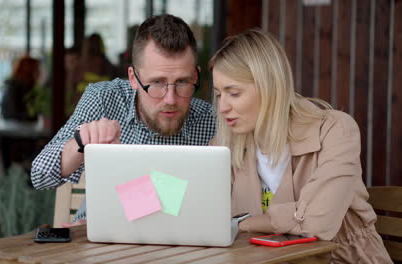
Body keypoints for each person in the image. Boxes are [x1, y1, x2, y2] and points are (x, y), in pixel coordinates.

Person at [209, 29, 392, 263]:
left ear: (270, 87)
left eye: (233, 93)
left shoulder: (335, 130)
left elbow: (318, 221)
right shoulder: (228, 144)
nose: (222, 106)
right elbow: (197, 207)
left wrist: (242, 223)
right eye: (218, 94)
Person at [31, 14, 216, 225]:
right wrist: (81, 141)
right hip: (100, 240)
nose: (170, 99)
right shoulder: (104, 99)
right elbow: (40, 176)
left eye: (182, 82)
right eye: (157, 82)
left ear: (195, 76)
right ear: (133, 78)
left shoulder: (212, 122)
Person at [1, 55, 40, 121]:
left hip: (21, 121)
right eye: (34, 68)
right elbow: (13, 111)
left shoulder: (29, 84)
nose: (36, 70)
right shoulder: (13, 84)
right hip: (14, 121)